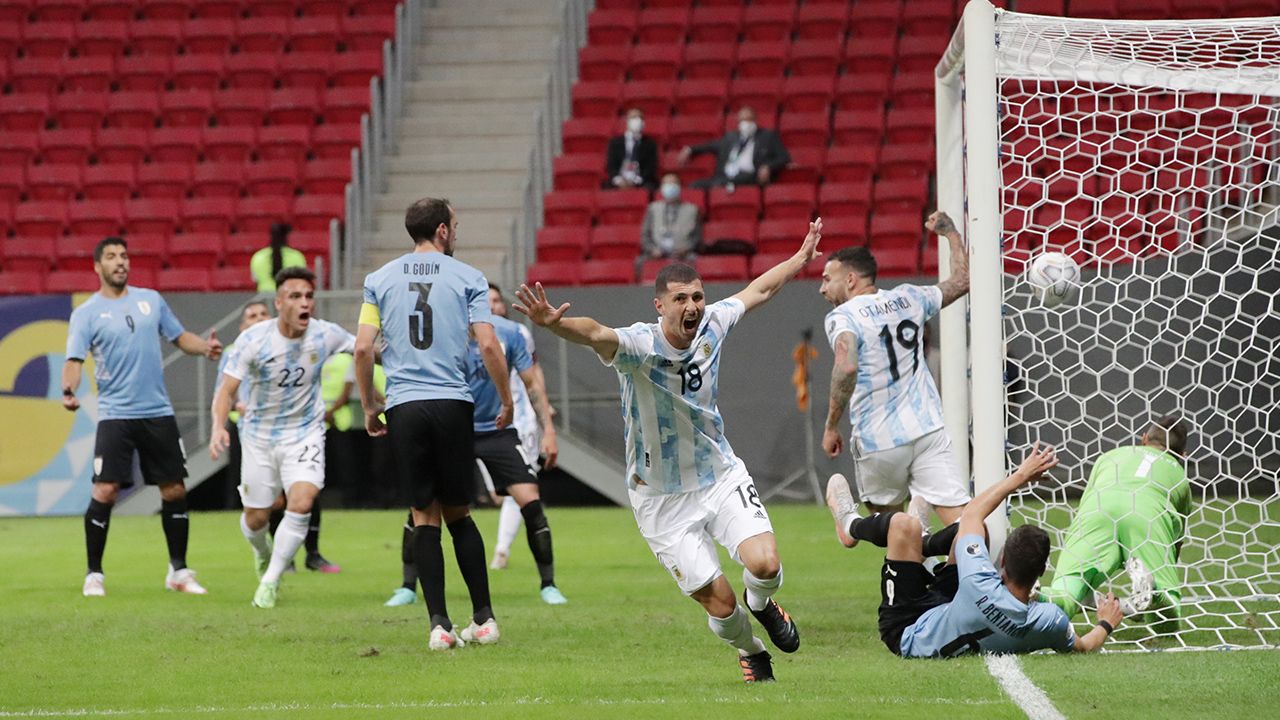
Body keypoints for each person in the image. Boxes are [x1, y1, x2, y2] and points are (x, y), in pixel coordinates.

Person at [512, 218, 823, 683]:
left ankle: (762, 603)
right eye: (681, 299)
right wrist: (556, 326)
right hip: (660, 498)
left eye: (697, 296)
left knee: (766, 563)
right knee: (719, 601)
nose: (693, 305)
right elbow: (595, 332)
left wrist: (798, 260)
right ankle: (751, 649)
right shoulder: (639, 345)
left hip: (718, 475)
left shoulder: (714, 323)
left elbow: (758, 291)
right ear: (660, 305)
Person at [356, 197, 513, 650]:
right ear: (443, 231)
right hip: (453, 404)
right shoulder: (469, 278)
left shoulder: (378, 280)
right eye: (456, 226)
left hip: (405, 406)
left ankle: (439, 627)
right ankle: (483, 619)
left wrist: (370, 406)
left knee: (423, 516)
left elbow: (364, 349)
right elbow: (488, 345)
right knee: (459, 513)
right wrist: (505, 400)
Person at [826, 443, 1125, 657]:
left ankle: (850, 525)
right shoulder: (1048, 619)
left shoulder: (979, 581)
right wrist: (1106, 623)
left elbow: (972, 513)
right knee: (973, 533)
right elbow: (1084, 645)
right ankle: (923, 547)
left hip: (907, 629)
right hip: (952, 607)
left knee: (906, 526)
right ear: (1040, 571)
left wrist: (1020, 476)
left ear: (1003, 561)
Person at [62, 236, 223, 598]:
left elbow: (180, 338)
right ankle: (94, 574)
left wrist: (206, 348)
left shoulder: (151, 300)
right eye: (111, 257)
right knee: (105, 489)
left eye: (124, 256)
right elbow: (74, 361)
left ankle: (178, 571)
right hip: (116, 415)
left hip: (158, 412)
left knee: (175, 489)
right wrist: (68, 391)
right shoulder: (86, 313)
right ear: (97, 267)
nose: (120, 262)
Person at [819, 211, 972, 535]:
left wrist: (832, 425)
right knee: (964, 526)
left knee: (891, 530)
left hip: (879, 439)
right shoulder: (909, 297)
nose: (822, 288)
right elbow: (962, 281)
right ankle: (928, 544)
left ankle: (850, 524)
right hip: (927, 428)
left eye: (826, 279)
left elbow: (846, 365)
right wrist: (951, 235)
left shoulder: (843, 315)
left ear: (849, 280)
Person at [209, 267, 355, 608]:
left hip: (305, 434)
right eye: (295, 296)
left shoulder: (326, 334)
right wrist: (218, 426)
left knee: (301, 501)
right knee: (257, 518)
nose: (305, 303)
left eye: (309, 296)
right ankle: (262, 552)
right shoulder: (254, 339)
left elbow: (366, 348)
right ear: (279, 303)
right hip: (259, 438)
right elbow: (225, 391)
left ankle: (270, 581)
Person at [1043, 416, 1190, 626]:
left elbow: (1086, 503)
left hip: (1098, 509)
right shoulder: (1179, 475)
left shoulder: (1109, 456)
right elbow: (1176, 543)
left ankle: (1037, 594)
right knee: (1167, 622)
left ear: (1144, 438)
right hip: (1147, 515)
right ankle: (1155, 593)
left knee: (1066, 592)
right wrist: (1160, 568)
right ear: (1182, 456)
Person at [677, 106, 790, 189]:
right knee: (694, 186)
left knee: (736, 181)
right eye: (742, 120)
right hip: (725, 177)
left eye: (748, 120)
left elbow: (784, 157)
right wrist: (690, 149)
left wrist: (767, 166)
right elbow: (710, 145)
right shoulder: (730, 137)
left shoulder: (767, 136)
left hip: (749, 177)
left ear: (755, 120)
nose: (745, 123)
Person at [637, 173, 701, 278]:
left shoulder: (692, 210)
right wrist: (652, 249)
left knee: (696, 261)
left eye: (673, 184)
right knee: (639, 262)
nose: (670, 187)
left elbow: (697, 238)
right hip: (656, 253)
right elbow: (645, 236)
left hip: (683, 254)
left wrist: (686, 249)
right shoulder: (652, 209)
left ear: (679, 188)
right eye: (667, 184)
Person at [604, 107, 659, 191]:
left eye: (640, 118)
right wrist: (619, 181)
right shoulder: (615, 143)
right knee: (606, 189)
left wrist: (635, 181)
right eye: (633, 117)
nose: (638, 120)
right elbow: (611, 165)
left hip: (641, 181)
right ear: (627, 121)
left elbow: (650, 167)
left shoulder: (650, 144)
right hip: (620, 179)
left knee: (650, 188)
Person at [250, 222, 306, 293]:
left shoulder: (258, 256)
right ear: (287, 237)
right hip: (289, 299)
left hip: (264, 299)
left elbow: (255, 280)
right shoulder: (297, 256)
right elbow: (302, 281)